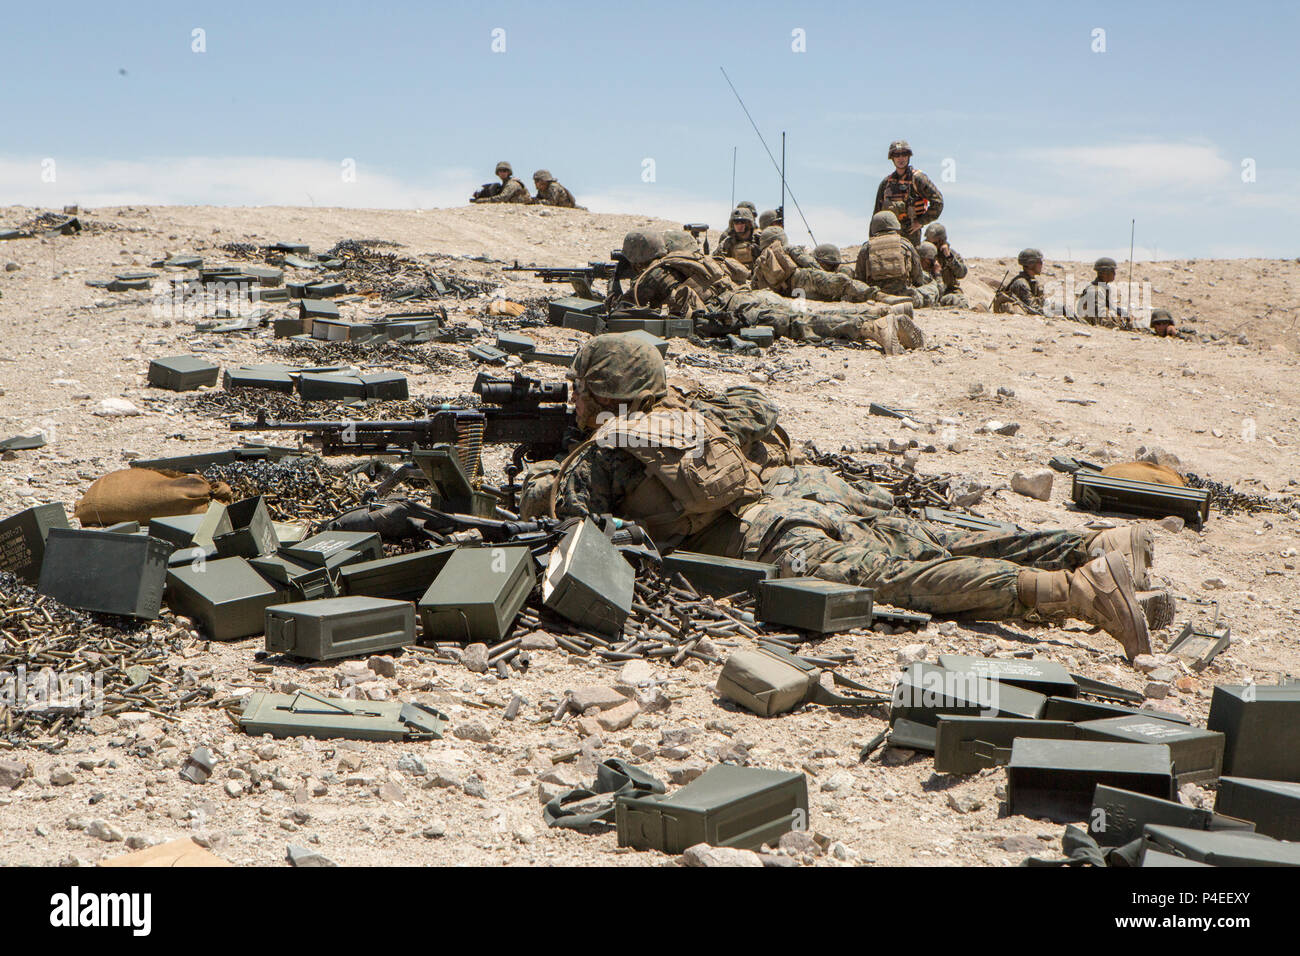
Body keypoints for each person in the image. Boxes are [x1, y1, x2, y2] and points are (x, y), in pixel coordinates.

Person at [523, 334, 1161, 659]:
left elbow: (585, 551)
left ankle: (1078, 593)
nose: (572, 402)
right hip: (809, 493)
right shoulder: (693, 409)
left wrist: (541, 492)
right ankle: (1096, 542)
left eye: (579, 391)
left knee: (897, 580)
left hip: (768, 538)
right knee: (934, 534)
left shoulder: (598, 456)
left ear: (604, 395)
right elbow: (760, 414)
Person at [616, 229, 922, 353]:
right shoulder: (682, 258)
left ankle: (872, 325)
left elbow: (625, 312)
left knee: (796, 324)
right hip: (744, 296)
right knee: (797, 312)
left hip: (731, 311)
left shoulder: (652, 276)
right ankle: (883, 309)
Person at [873, 140, 944, 246]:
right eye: (897, 155)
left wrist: (920, 222)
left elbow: (938, 202)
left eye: (904, 154)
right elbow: (877, 213)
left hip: (911, 235)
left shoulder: (918, 179)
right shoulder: (886, 183)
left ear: (908, 156)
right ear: (892, 157)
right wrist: (873, 238)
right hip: (888, 234)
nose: (900, 158)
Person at [854, 211, 925, 301]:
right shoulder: (905, 244)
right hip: (904, 295)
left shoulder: (867, 247)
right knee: (932, 288)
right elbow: (918, 277)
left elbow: (860, 279)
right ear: (895, 224)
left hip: (877, 297)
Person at [922, 223, 969, 307]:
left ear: (941, 241)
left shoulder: (951, 255)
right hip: (929, 290)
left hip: (949, 291)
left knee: (962, 303)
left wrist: (949, 258)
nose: (930, 245)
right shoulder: (923, 252)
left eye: (934, 243)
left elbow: (962, 273)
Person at [1075, 257, 1128, 327]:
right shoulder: (1095, 291)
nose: (1114, 274)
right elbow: (1099, 317)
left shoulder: (1103, 287)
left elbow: (1108, 307)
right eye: (1112, 271)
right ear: (1104, 273)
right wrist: (1119, 319)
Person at [994, 249, 1046, 314]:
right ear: (1030, 264)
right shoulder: (1021, 283)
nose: (1041, 265)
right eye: (1039, 262)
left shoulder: (1032, 281)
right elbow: (1032, 308)